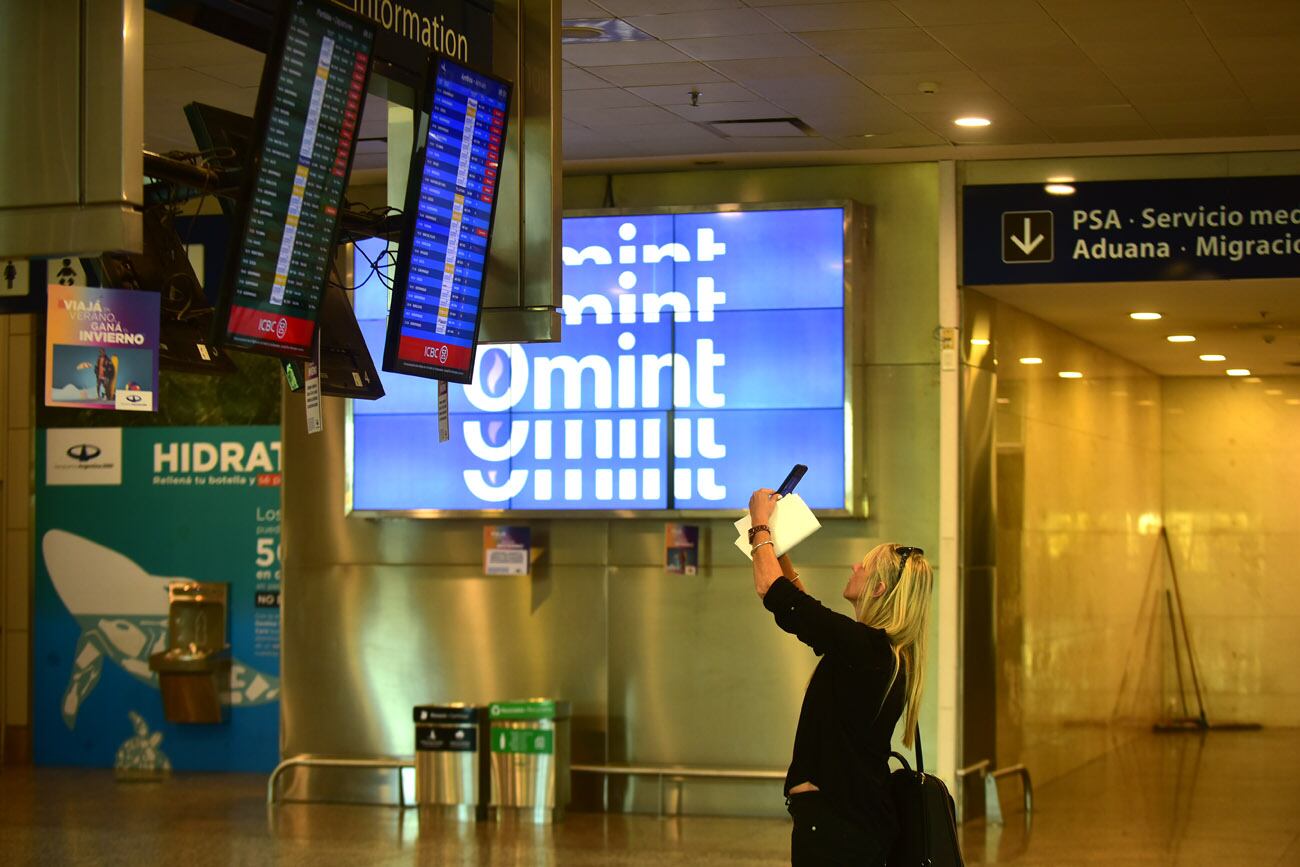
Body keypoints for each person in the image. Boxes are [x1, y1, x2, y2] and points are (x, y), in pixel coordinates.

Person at [747, 488, 933, 866]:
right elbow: (803, 608)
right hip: (854, 824)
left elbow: (775, 593)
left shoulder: (866, 650)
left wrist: (759, 526)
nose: (854, 568)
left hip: (836, 830)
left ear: (879, 589)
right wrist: (778, 547)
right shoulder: (883, 654)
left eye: (864, 567)